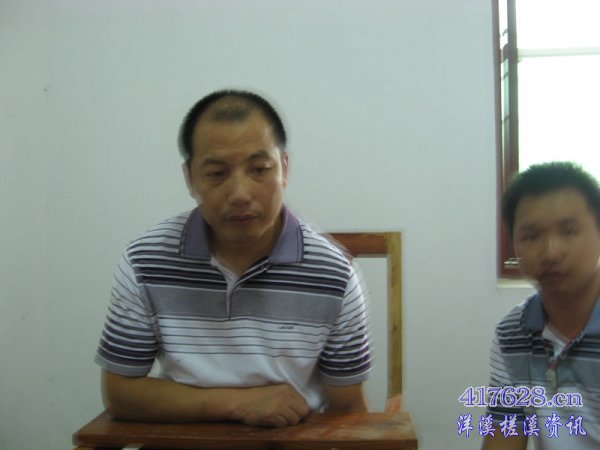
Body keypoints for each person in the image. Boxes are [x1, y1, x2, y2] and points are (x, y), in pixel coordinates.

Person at [94, 89, 372, 427]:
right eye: (216, 173)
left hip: (289, 439)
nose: (240, 194)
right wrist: (237, 403)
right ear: (190, 178)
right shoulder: (145, 261)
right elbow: (120, 394)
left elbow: (347, 410)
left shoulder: (334, 274)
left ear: (284, 169)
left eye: (259, 169)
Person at [482, 162, 600, 449]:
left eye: (568, 231)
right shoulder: (513, 333)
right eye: (531, 236)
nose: (551, 252)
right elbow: (504, 437)